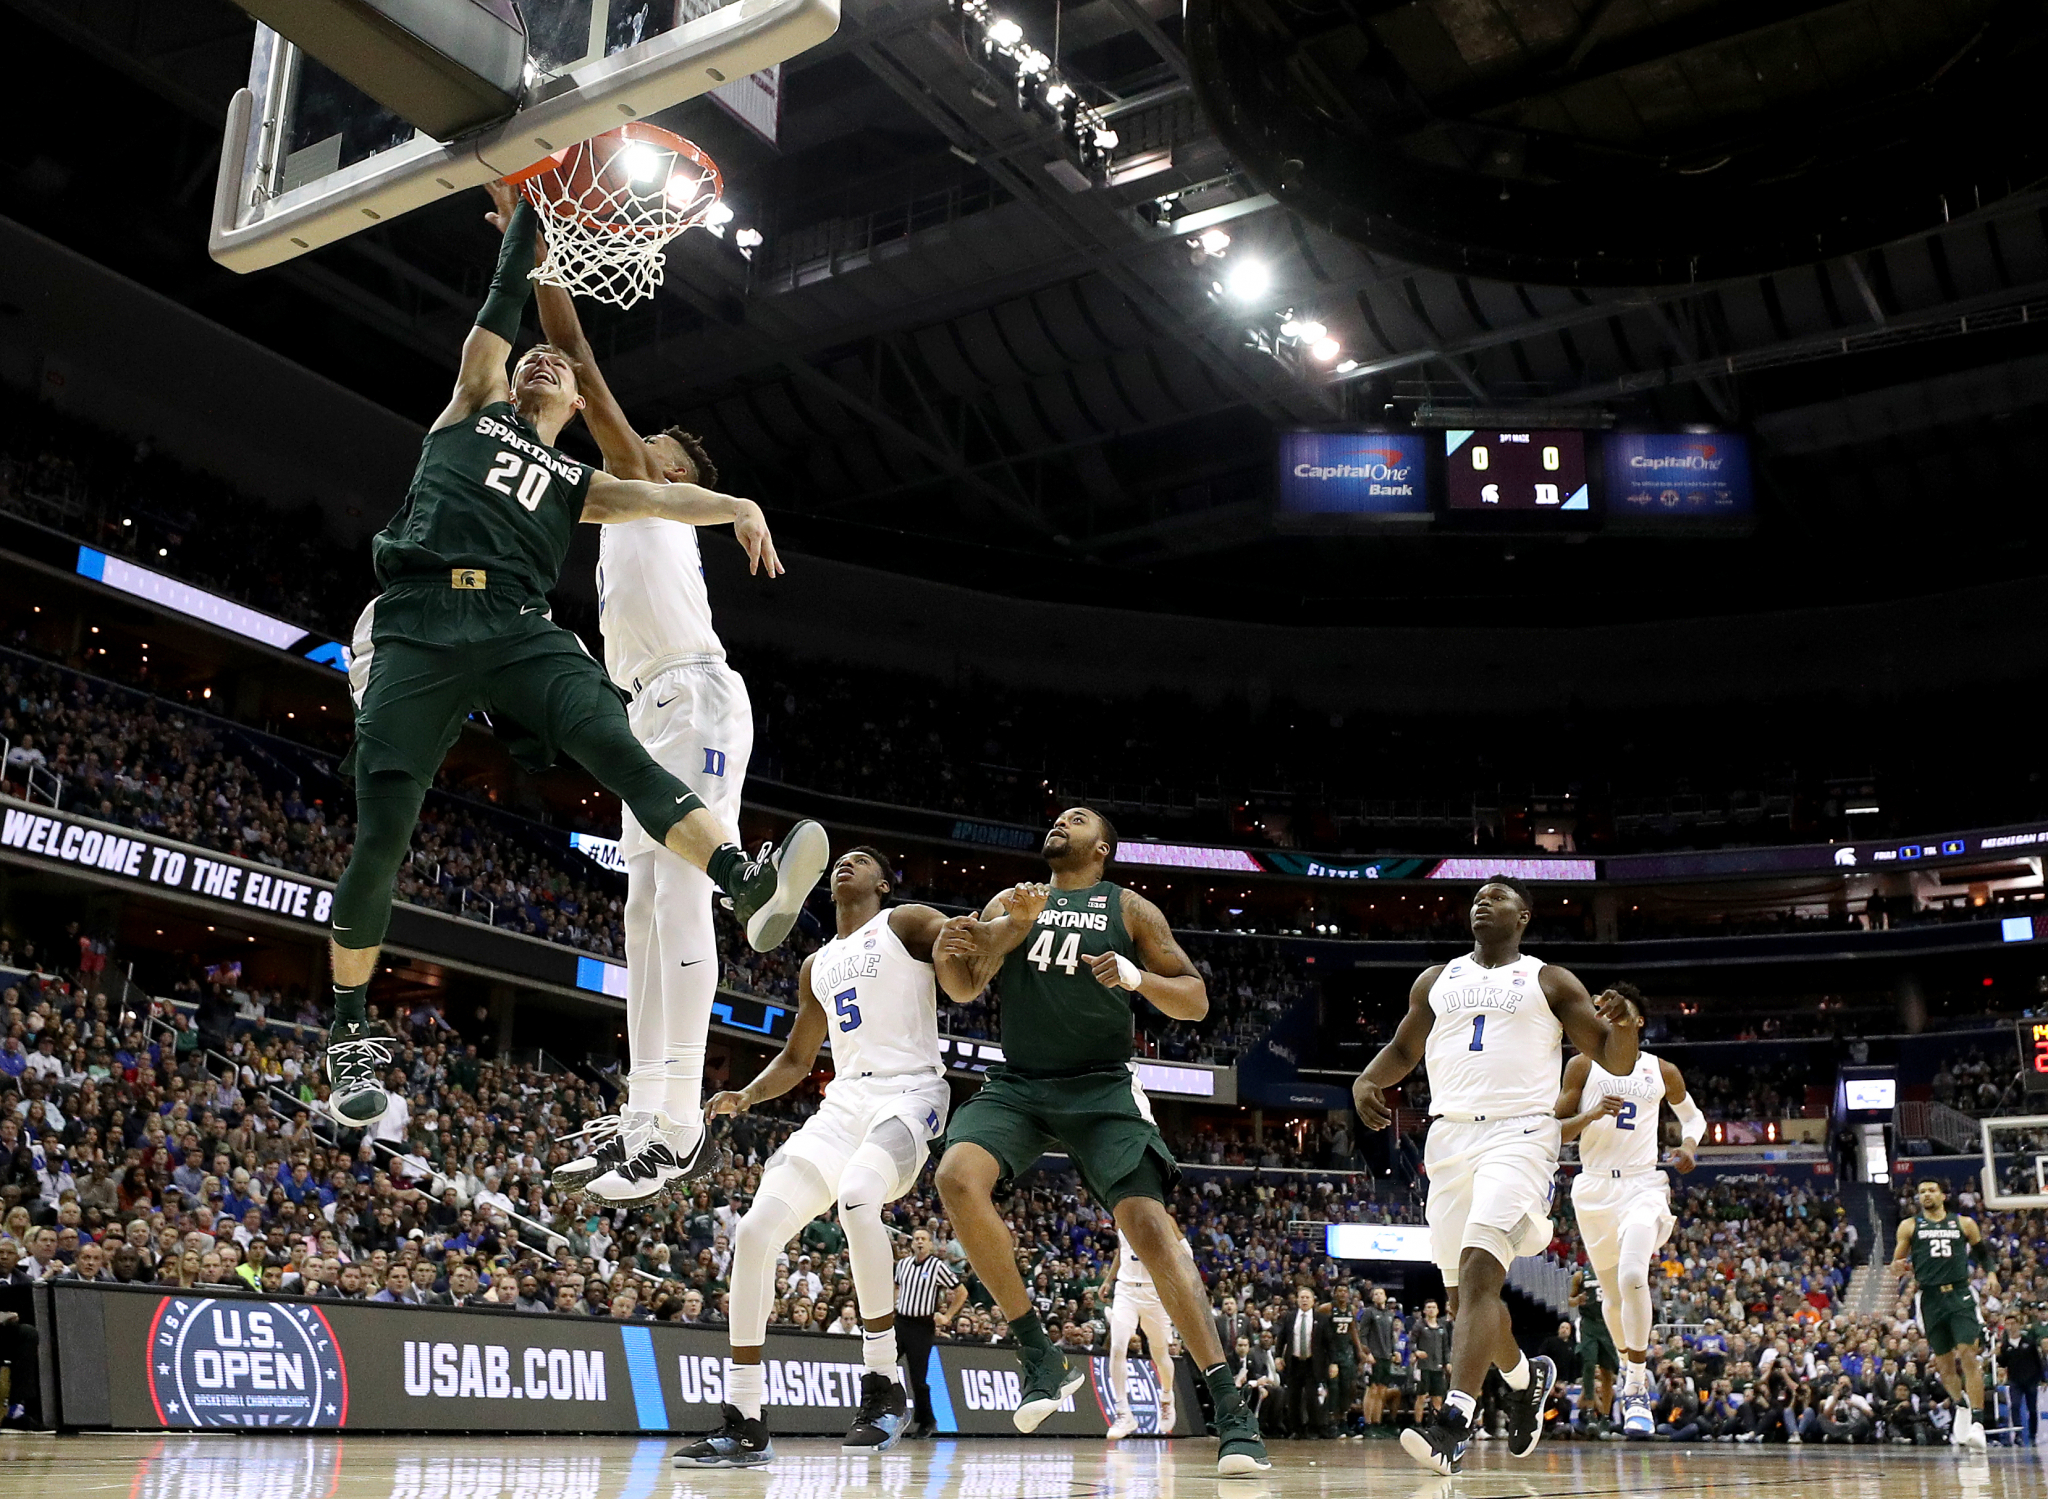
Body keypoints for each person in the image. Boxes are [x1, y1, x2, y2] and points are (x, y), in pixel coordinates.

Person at [317, 186, 828, 1128]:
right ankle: (349, 1027)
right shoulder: (472, 403)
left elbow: (669, 497)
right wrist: (532, 212)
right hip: (421, 620)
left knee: (621, 756)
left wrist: (739, 506)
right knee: (383, 832)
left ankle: (743, 879)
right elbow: (507, 298)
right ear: (516, 379)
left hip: (525, 631)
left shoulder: (590, 483)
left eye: (560, 369)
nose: (552, 366)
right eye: (536, 363)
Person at [484, 183, 778, 1201]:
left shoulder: (651, 494)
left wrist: (544, 253)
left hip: (694, 698)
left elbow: (587, 372)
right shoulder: (612, 518)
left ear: (673, 474)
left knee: (679, 891)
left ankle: (680, 1116)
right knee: (644, 908)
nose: (632, 442)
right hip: (644, 708)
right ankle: (647, 1111)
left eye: (656, 448)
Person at [931, 807, 1270, 1476]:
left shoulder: (1131, 908)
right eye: (1054, 817)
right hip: (1022, 1083)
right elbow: (965, 985)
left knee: (1149, 1227)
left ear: (1102, 847)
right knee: (955, 1178)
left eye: (1075, 818)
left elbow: (1197, 1000)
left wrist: (1137, 977)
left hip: (1102, 1088)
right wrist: (1004, 932)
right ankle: (1039, 1354)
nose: (1058, 822)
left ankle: (1231, 1409)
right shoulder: (1012, 898)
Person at [1352, 877, 1640, 1475]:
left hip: (1522, 1134)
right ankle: (1522, 1377)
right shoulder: (1436, 979)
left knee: (1484, 1266)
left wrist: (1626, 1024)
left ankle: (1454, 1423)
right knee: (1463, 1300)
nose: (1484, 899)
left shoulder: (1550, 980)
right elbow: (1404, 1050)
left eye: (1499, 895)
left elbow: (1612, 1061)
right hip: (1450, 1137)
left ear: (1524, 917)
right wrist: (1365, 1080)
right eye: (1478, 895)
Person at [672, 848, 950, 1467]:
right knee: (754, 1230)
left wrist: (1002, 923)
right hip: (843, 1106)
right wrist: (746, 1094)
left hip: (909, 1094)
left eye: (862, 860)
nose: (846, 863)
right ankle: (745, 1419)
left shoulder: (904, 922)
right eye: (840, 860)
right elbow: (799, 1060)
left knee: (856, 1198)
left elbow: (965, 952)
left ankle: (883, 1386)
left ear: (883, 882)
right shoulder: (817, 964)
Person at [1554, 981, 1704, 1435]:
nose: (1610, 1019)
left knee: (1633, 1276)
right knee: (1614, 1297)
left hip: (1643, 1184)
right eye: (1605, 1013)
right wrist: (1591, 1114)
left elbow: (1692, 1118)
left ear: (1636, 1022)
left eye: (1621, 1013)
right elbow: (1555, 1131)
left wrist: (1691, 1146)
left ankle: (1636, 1387)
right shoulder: (1581, 1066)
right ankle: (1629, 1375)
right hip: (1594, 1189)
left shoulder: (1663, 1071)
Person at [1890, 1176, 1995, 1451]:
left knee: (1969, 1354)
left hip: (1959, 1293)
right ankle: (1960, 1406)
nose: (1926, 1194)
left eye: (1931, 1190)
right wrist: (1900, 1267)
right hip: (1929, 1298)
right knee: (1945, 1364)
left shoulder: (1963, 1223)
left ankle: (1978, 1423)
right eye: (1921, 1191)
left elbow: (1983, 1252)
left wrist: (1992, 1274)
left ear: (1942, 1195)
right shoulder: (1910, 1226)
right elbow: (1895, 1264)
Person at [1104, 1228, 1181, 1439]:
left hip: (1155, 1292)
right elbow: (1122, 1250)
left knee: (1160, 1354)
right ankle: (1123, 1413)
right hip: (1125, 1290)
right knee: (1118, 1346)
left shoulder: (1161, 1217)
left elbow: (1184, 1253)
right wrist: (1109, 1280)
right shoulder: (1121, 1213)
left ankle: (1166, 1396)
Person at [895, 1228, 967, 1438]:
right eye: (916, 1238)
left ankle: (926, 1420)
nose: (919, 1242)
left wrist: (948, 1317)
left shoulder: (937, 1266)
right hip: (900, 1323)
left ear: (930, 1244)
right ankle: (883, 1413)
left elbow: (961, 1291)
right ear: (912, 1243)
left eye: (923, 1239)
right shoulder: (903, 1264)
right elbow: (896, 1287)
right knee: (883, 1366)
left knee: (918, 1378)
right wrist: (893, 1304)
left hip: (921, 1327)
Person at [1277, 1286, 1337, 1439]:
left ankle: (1313, 1428)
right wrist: (1278, 1356)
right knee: (1293, 1398)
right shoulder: (1290, 1317)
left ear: (1313, 1301)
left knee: (1312, 1398)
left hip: (1313, 1363)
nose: (1304, 1300)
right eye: (1301, 1297)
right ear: (1297, 1300)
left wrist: (1333, 1363)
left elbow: (1330, 1343)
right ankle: (1297, 1430)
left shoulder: (1322, 1319)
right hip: (1294, 1363)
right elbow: (1281, 1338)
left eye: (1307, 1297)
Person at [2000, 1312, 2043, 1445]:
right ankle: (2018, 1434)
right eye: (2008, 1324)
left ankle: (2032, 1434)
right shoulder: (2005, 1346)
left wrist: (2041, 1378)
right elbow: (2003, 1363)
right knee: (2015, 1405)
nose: (2011, 1327)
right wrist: (1998, 1355)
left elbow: (2038, 1361)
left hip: (2030, 1380)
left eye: (2013, 1323)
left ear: (2018, 1325)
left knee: (2032, 1409)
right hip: (2015, 1380)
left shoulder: (2029, 1342)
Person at [1410, 1299, 1451, 1426]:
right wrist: (1416, 1351)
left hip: (1438, 1367)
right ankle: (1418, 1424)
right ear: (1424, 1310)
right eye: (1428, 1307)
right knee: (1421, 1396)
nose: (1431, 1309)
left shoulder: (1442, 1327)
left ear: (1438, 1310)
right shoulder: (1419, 1325)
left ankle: (1434, 1425)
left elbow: (1446, 1347)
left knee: (1437, 1397)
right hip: (1423, 1366)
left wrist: (1447, 1362)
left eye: (1434, 1307)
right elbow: (1411, 1342)